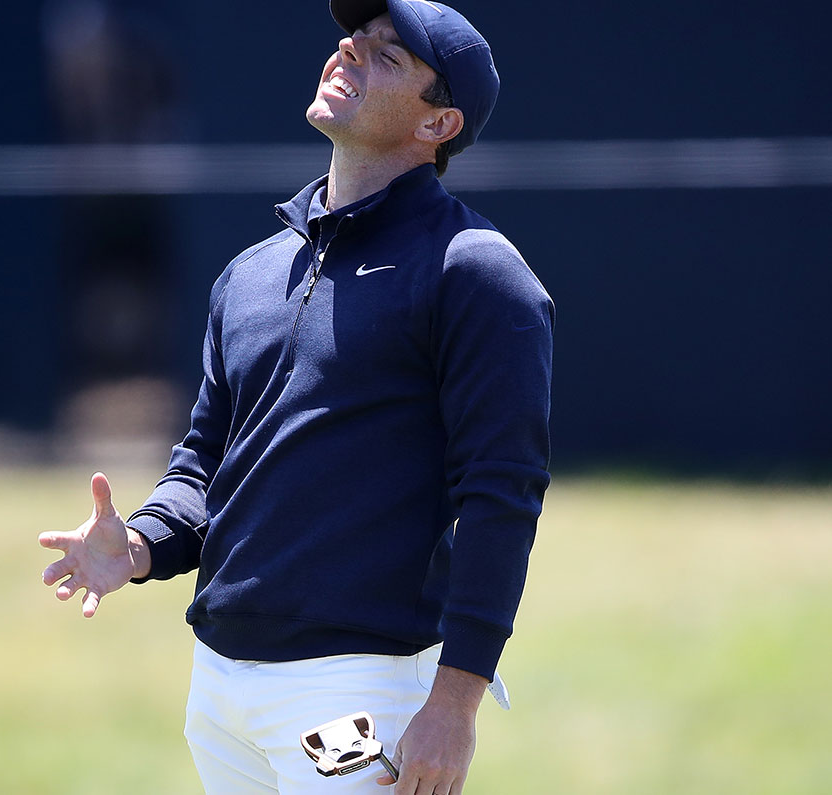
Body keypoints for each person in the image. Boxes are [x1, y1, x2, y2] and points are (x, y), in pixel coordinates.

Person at [38, 1, 553, 792]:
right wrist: (139, 545)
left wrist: (457, 698)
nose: (351, 49)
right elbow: (205, 466)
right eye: (354, 37)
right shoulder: (249, 272)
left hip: (358, 694)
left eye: (388, 56)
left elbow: (502, 493)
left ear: (438, 124)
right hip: (220, 688)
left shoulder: (475, 270)